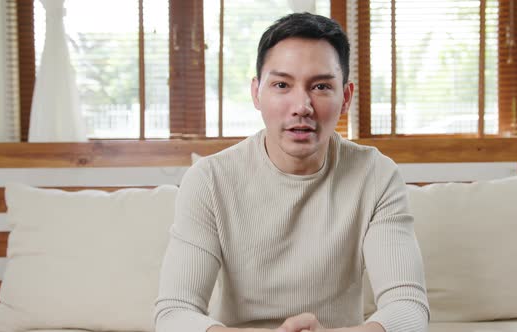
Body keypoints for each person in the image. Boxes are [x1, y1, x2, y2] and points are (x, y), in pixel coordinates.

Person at [155, 12, 429, 332]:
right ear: (257, 93)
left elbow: (408, 306)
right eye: (282, 84)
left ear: (346, 98)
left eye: (321, 86)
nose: (302, 105)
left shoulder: (377, 175)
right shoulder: (209, 180)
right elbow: (174, 312)